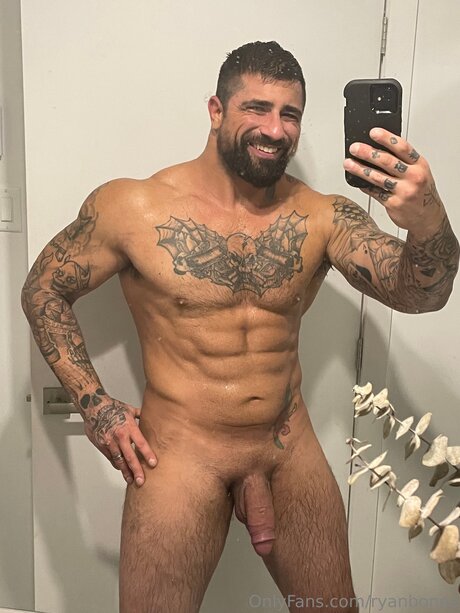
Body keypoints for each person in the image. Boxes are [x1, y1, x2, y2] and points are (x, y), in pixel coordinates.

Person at [21, 41, 459, 613]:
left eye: (290, 114)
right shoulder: (133, 207)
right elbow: (43, 289)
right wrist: (95, 406)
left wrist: (427, 219)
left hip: (288, 449)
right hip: (181, 454)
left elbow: (422, 294)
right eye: (257, 108)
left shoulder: (322, 215)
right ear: (216, 110)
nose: (275, 129)